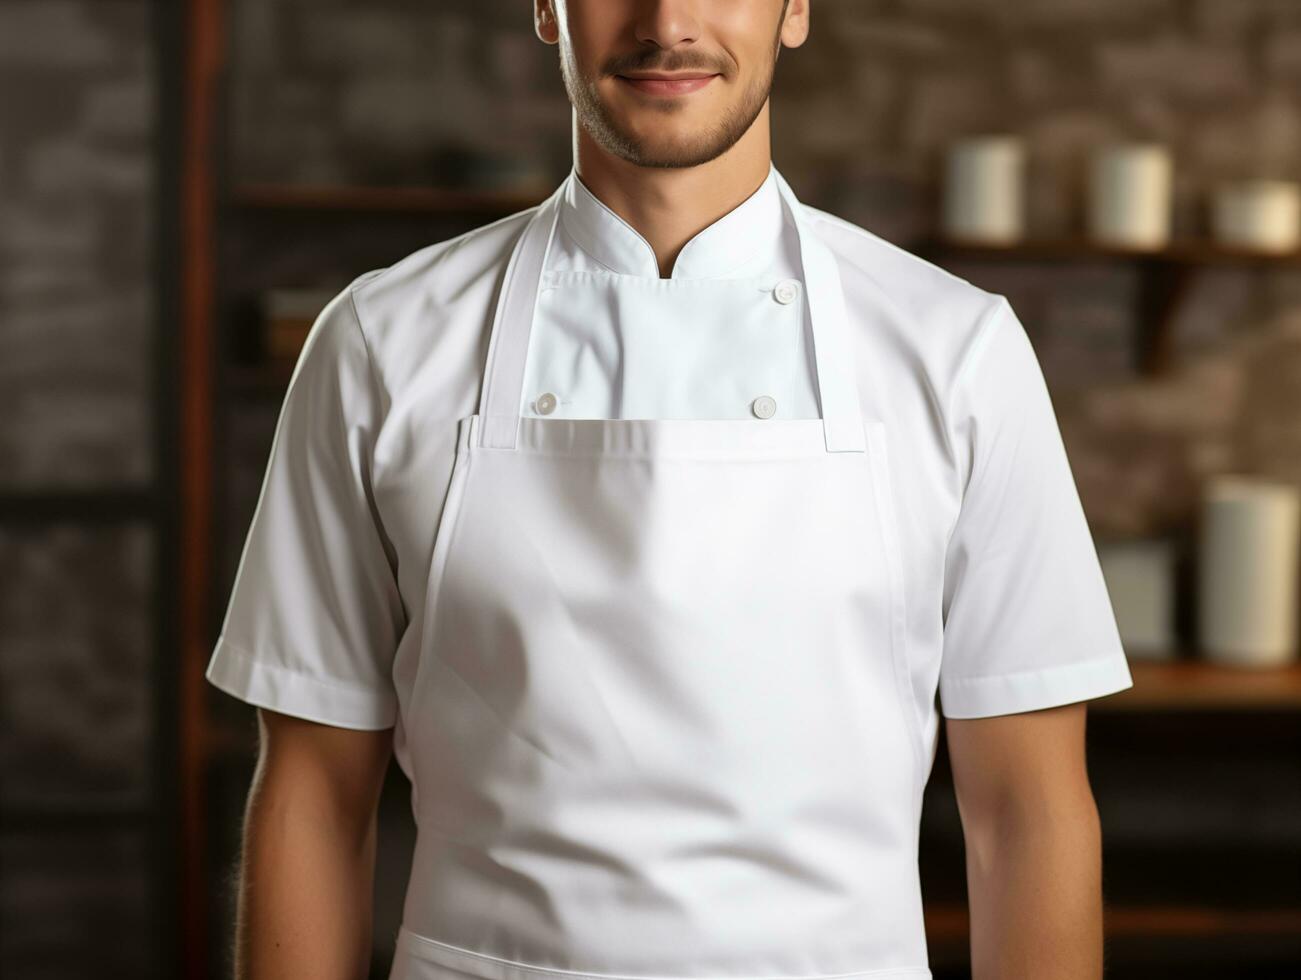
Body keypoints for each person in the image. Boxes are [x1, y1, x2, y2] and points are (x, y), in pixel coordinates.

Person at [205, 2, 1134, 979]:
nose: (666, 20)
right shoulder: (379, 343)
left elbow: (1024, 814)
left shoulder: (954, 351)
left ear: (795, 8)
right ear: (544, 7)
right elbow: (312, 789)